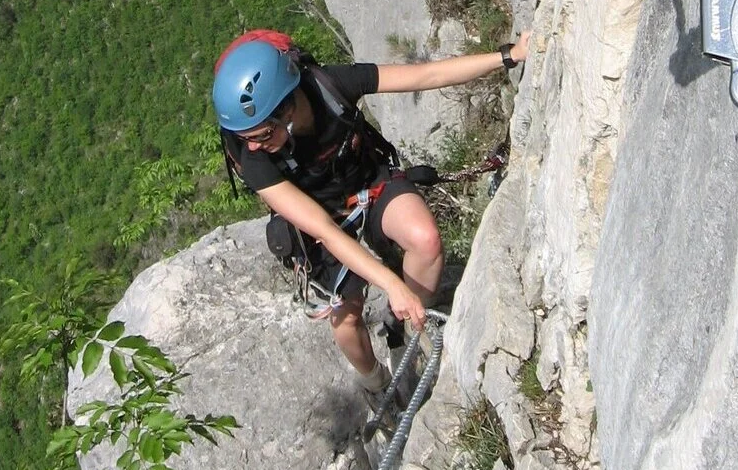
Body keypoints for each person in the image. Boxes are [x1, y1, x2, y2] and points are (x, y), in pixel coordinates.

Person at [212, 32, 530, 400]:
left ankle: (412, 327)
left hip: (366, 181)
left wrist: (508, 55)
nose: (252, 144)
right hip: (320, 217)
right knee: (346, 319)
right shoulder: (254, 159)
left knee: (426, 240)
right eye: (245, 137)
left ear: (288, 108)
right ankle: (377, 384)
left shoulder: (329, 86)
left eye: (262, 133)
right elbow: (325, 230)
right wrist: (391, 284)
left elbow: (425, 75)